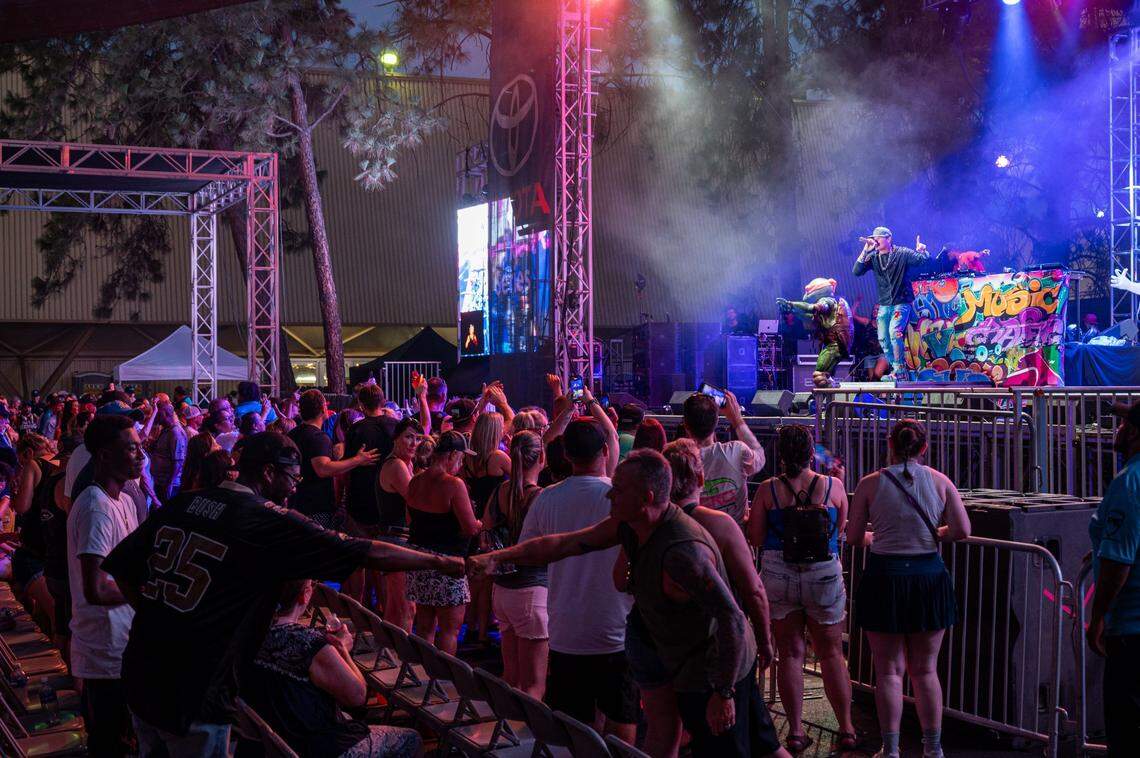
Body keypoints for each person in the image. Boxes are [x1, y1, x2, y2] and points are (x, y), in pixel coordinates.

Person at [101, 432, 464, 756]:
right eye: (292, 477)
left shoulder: (185, 502)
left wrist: (162, 617)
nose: (295, 487)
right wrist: (440, 562)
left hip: (142, 673)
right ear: (269, 473)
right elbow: (364, 551)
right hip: (194, 693)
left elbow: (125, 570)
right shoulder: (264, 519)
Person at [846, 419, 970, 758]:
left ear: (889, 443)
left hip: (885, 577)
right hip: (928, 577)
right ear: (923, 448)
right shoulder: (941, 482)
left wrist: (878, 537)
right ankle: (932, 748)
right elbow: (962, 529)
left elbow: (855, 538)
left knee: (888, 670)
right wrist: (935, 534)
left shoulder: (870, 484)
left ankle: (891, 748)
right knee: (925, 669)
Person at [519, 407, 636, 742]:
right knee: (622, 714)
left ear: (567, 455)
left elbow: (529, 552)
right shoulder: (621, 499)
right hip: (616, 628)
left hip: (566, 629)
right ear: (605, 452)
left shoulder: (546, 500)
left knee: (574, 725)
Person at [747, 425, 856, 753]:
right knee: (832, 653)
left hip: (779, 573)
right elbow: (841, 530)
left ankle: (795, 731)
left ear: (780, 454)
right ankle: (848, 729)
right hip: (823, 574)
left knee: (790, 653)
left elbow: (755, 538)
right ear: (811, 452)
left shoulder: (768, 490)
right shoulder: (832, 487)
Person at [242, 579, 421, 758]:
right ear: (304, 596)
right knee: (412, 738)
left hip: (277, 735)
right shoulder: (310, 644)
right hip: (316, 746)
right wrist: (342, 651)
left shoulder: (251, 632)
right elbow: (357, 696)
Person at [68, 415, 144, 757]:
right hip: (104, 648)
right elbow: (96, 589)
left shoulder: (124, 500)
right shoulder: (96, 507)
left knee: (127, 738)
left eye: (140, 447)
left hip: (124, 642)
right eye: (130, 448)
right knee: (109, 742)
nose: (140, 455)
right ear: (103, 455)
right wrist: (146, 592)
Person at [1088, 399, 1140, 755]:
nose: (1117, 430)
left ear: (1135, 432)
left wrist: (1097, 619)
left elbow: (1118, 565)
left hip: (1132, 631)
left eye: (1123, 424)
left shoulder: (1129, 484)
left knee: (1127, 730)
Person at [484, 430, 548, 698]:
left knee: (511, 677)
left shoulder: (500, 492)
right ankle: (529, 739)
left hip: (502, 591)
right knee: (534, 685)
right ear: (541, 458)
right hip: (531, 592)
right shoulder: (541, 497)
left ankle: (507, 733)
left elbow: (485, 534)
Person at [405, 431, 480, 654]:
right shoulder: (454, 484)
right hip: (447, 564)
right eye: (462, 458)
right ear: (453, 455)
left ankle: (425, 678)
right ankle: (444, 683)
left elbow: (409, 519)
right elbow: (469, 528)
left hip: (419, 560)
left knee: (425, 626)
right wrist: (481, 523)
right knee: (449, 631)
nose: (462, 462)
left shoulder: (416, 479)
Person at [288, 390, 379, 529]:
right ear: (323, 408)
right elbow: (323, 469)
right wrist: (358, 460)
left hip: (296, 504)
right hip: (315, 508)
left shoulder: (293, 433)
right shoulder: (318, 437)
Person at [852, 226, 930, 380]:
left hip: (901, 302)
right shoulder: (874, 257)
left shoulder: (901, 253)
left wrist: (922, 250)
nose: (875, 240)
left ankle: (900, 370)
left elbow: (922, 261)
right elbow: (856, 271)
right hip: (884, 304)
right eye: (873, 238)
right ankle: (896, 370)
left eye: (878, 238)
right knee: (883, 338)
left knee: (895, 333)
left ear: (888, 239)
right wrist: (866, 250)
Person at [463, 411, 510, 647]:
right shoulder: (498, 457)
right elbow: (524, 475)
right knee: (487, 582)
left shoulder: (469, 458)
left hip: (475, 518)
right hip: (494, 523)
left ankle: (471, 627)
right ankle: (482, 634)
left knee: (474, 580)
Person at [682, 391, 765, 525]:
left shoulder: (678, 460)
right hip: (736, 541)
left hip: (698, 541)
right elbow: (760, 458)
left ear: (686, 425)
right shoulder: (736, 451)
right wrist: (736, 419)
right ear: (716, 422)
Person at [375, 418, 421, 631]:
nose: (414, 443)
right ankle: (405, 660)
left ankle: (388, 653)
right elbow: (418, 501)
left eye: (417, 438)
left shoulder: (405, 463)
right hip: (396, 540)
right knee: (407, 607)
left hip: (393, 539)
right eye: (409, 437)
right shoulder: (396, 465)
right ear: (396, 439)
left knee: (394, 607)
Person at [148, 401, 188, 503]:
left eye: (157, 413)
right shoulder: (166, 430)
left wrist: (169, 484)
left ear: (165, 413)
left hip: (169, 484)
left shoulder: (176, 433)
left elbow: (178, 462)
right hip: (161, 481)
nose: (155, 415)